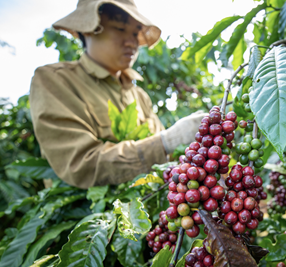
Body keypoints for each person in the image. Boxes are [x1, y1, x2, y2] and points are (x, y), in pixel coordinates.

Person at [29, 0, 204, 189]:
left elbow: (168, 161)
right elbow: (81, 165)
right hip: (88, 216)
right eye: (120, 28)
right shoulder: (55, 81)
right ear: (88, 30)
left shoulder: (139, 95)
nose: (132, 42)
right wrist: (166, 142)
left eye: (136, 33)